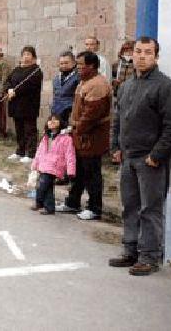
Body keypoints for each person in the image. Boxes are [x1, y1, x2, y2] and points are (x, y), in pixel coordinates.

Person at [109, 37, 171, 276]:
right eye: (138, 51)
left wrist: (157, 156)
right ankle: (130, 250)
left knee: (150, 209)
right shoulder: (127, 85)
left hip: (150, 161)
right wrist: (116, 146)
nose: (141, 56)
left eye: (148, 52)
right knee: (130, 206)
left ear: (156, 57)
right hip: (128, 157)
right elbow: (118, 119)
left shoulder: (166, 87)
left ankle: (149, 256)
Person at [59, 51, 113, 220]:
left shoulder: (98, 85)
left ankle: (95, 208)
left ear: (92, 66)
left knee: (92, 173)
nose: (78, 68)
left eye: (81, 65)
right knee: (78, 171)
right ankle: (73, 202)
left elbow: (90, 115)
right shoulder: (84, 82)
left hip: (91, 137)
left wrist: (76, 129)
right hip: (80, 135)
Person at [3, 46, 44, 164]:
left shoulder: (36, 71)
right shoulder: (16, 69)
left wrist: (15, 91)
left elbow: (29, 85)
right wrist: (9, 89)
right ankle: (20, 151)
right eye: (24, 54)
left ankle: (31, 153)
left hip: (28, 105)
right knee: (19, 129)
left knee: (29, 130)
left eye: (28, 54)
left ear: (33, 57)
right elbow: (8, 81)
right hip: (15, 105)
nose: (26, 57)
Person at [29, 114, 75, 215]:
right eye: (50, 120)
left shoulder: (66, 138)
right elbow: (39, 153)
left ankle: (39, 202)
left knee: (42, 185)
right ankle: (49, 208)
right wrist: (35, 164)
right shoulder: (45, 137)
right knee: (48, 187)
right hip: (44, 165)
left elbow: (70, 155)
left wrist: (70, 170)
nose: (52, 122)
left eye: (55, 120)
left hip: (55, 166)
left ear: (61, 123)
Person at [51, 51, 80, 128]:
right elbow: (55, 95)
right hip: (56, 114)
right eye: (61, 63)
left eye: (66, 63)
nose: (63, 65)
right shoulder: (56, 78)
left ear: (74, 63)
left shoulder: (78, 77)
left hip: (70, 114)